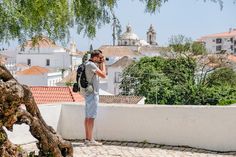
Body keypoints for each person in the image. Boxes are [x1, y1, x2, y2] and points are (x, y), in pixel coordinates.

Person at [84, 50, 106, 146]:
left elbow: (99, 74)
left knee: (87, 117)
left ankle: (87, 139)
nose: (101, 59)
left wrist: (100, 63)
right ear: (95, 57)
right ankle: (91, 139)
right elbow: (104, 75)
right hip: (93, 93)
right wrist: (103, 63)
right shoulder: (92, 65)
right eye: (100, 57)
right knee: (91, 118)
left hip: (89, 93)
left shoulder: (88, 64)